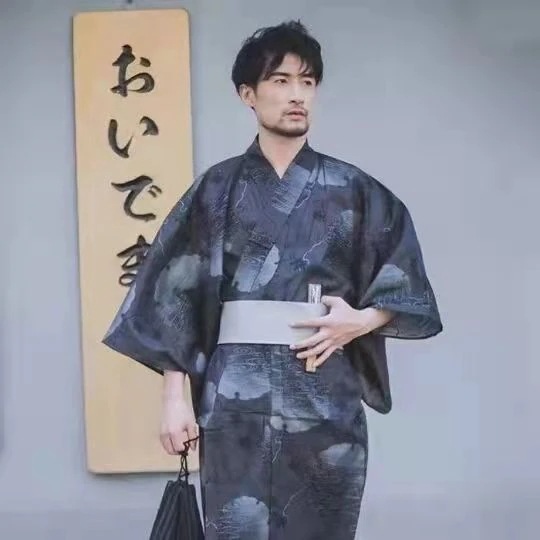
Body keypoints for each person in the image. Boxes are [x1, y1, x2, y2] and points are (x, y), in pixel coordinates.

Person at [103, 20, 442, 540]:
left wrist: (362, 321)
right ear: (248, 94)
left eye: (307, 82)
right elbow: (174, 294)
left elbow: (405, 275)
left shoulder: (354, 189)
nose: (297, 95)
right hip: (233, 401)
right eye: (281, 81)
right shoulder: (217, 188)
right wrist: (174, 398)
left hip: (323, 393)